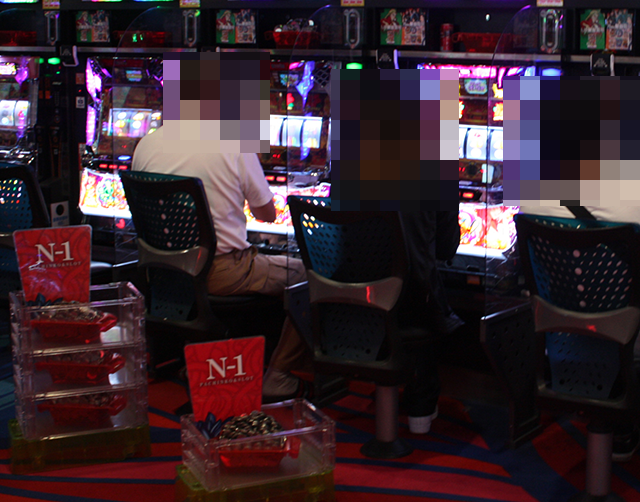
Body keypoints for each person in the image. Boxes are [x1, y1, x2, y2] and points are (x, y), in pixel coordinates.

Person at [131, 126, 309, 399]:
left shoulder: (147, 142)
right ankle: (279, 376)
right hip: (220, 272)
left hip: (164, 273)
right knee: (309, 277)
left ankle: (200, 363)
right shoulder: (235, 143)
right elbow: (267, 214)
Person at [519, 204, 640, 462]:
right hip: (623, 336)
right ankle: (622, 426)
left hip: (561, 336)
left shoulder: (532, 195)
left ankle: (619, 426)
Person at [398, 210, 464, 434]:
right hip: (413, 298)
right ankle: (421, 401)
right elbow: (446, 249)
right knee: (420, 294)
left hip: (355, 296)